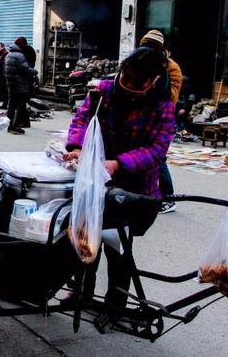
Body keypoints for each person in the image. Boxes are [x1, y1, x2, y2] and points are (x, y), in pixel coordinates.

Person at [63, 46, 175, 308]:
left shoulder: (163, 106)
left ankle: (116, 303)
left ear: (154, 80)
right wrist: (77, 147)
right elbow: (82, 120)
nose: (129, 85)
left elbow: (157, 150)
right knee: (86, 239)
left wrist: (119, 164)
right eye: (126, 77)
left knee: (119, 248)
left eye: (138, 82)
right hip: (96, 178)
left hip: (134, 187)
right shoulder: (104, 91)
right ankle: (80, 293)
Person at [139, 29, 182, 214]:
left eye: (152, 47)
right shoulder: (140, 61)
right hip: (141, 118)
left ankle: (169, 197)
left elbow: (171, 97)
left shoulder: (171, 67)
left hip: (161, 120)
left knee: (158, 158)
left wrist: (158, 76)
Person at [5, 40, 38, 135]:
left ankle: (9, 125)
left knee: (11, 105)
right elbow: (25, 69)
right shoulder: (20, 56)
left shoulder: (8, 55)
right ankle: (15, 127)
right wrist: (35, 72)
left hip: (11, 84)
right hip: (20, 84)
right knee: (21, 105)